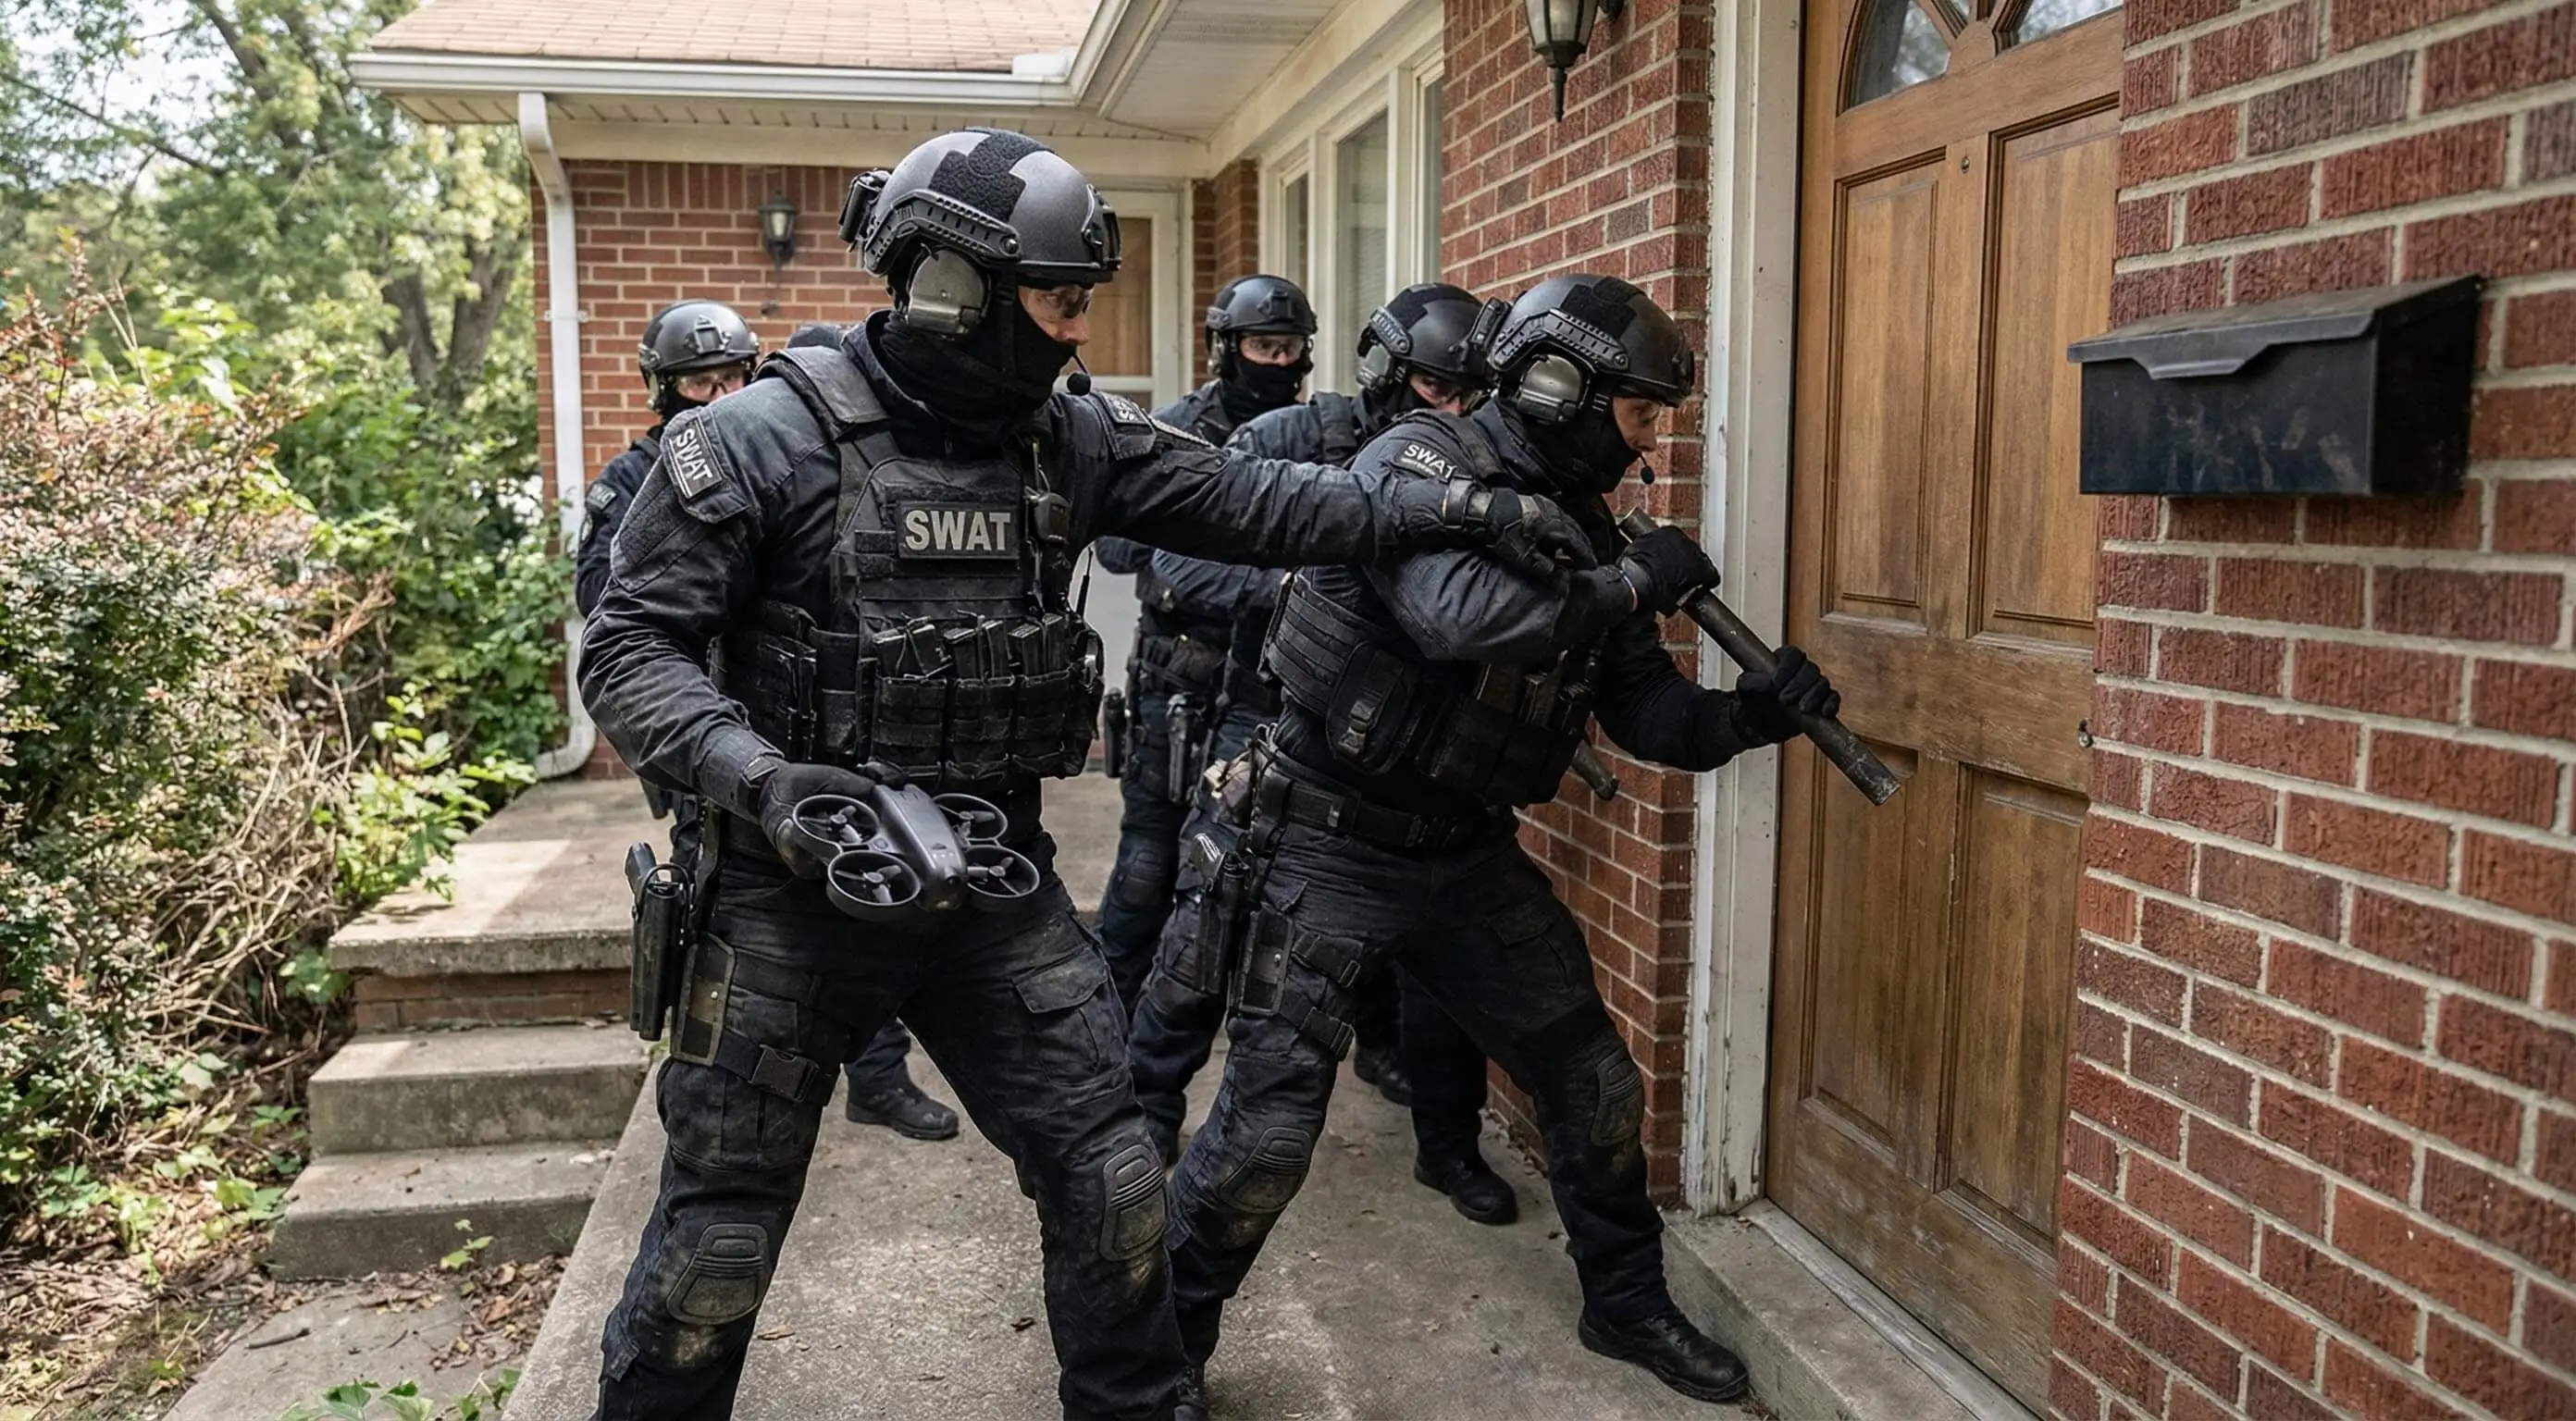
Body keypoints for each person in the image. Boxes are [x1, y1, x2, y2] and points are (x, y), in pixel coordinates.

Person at [577, 127, 1592, 1421]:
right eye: (1060, 302)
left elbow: (1270, 506)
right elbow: (629, 648)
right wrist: (765, 780)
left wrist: (1462, 507)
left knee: (1114, 1177)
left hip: (988, 884)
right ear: (957, 290)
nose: (1076, 335)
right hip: (789, 895)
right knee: (716, 1247)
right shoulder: (763, 442)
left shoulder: (1070, 442)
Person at [1162, 274, 1847, 1411]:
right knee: (1261, 1142)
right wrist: (1632, 584)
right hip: (1321, 840)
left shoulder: (1583, 530)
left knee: (1594, 1087)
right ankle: (1160, 1355)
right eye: (1636, 416)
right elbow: (1457, 619)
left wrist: (1751, 715)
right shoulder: (1418, 465)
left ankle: (1622, 1300)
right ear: (1558, 384)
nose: (1643, 447)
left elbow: (1649, 716)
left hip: (1464, 855)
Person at [1123, 282, 1518, 1228]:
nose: (1451, 409)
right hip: (1263, 720)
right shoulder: (1293, 441)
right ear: (1386, 371)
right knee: (1198, 924)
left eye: (1468, 393)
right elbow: (1174, 560)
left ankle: (1446, 1143)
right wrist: (1308, 573)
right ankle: (1142, 1114)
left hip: (1397, 740)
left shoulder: (1484, 467)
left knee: (1429, 953)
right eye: (1433, 386)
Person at [579, 315, 958, 1145]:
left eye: (732, 376)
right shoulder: (637, 477)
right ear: (662, 387)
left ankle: (879, 1078)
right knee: (726, 935)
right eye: (698, 382)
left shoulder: (777, 456)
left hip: (799, 728)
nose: (720, 395)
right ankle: (722, 1090)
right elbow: (614, 615)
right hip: (707, 741)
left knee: (863, 890)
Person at [1092, 275, 1319, 1009]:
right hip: (1178, 691)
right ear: (1227, 350)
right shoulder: (1174, 433)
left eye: (1289, 349)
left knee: (1251, 869)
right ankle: (1108, 1025)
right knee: (1146, 869)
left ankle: (1196, 1005)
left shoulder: (1313, 439)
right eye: (1262, 346)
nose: (1276, 364)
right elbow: (1127, 554)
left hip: (1267, 691)